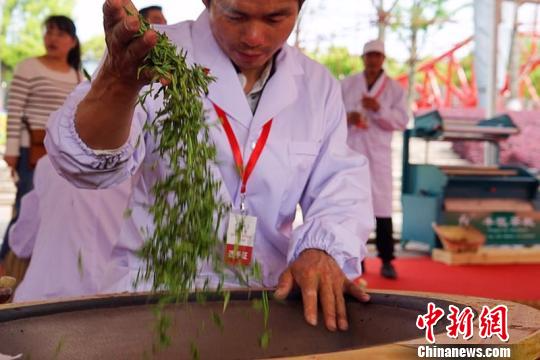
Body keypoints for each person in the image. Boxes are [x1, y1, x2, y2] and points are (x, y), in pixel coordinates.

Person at [46, 0, 374, 332]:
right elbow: (86, 164)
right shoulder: (150, 52)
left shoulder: (317, 87)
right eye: (236, 16)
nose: (254, 37)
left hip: (262, 296)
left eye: (275, 18)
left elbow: (340, 183)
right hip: (153, 291)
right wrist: (118, 83)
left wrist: (322, 247)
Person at [0, 15, 82, 263]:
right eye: (49, 32)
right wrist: (12, 152)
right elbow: (15, 112)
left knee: (55, 211)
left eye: (60, 33)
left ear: (73, 41)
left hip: (64, 156)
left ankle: (37, 267)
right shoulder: (28, 66)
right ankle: (5, 264)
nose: (52, 38)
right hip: (31, 153)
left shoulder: (78, 76)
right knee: (25, 209)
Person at [9, 156, 131, 302]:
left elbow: (21, 244)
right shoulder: (140, 166)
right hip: (116, 300)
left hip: (42, 300)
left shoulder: (49, 163)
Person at [341, 39, 408, 279]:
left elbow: (401, 121)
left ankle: (387, 259)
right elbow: (331, 115)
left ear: (383, 59)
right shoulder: (347, 84)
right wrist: (348, 117)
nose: (372, 60)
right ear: (363, 58)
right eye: (369, 56)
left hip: (378, 154)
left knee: (382, 208)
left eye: (376, 56)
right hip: (352, 151)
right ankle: (354, 257)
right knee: (352, 206)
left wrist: (379, 109)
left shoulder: (394, 90)